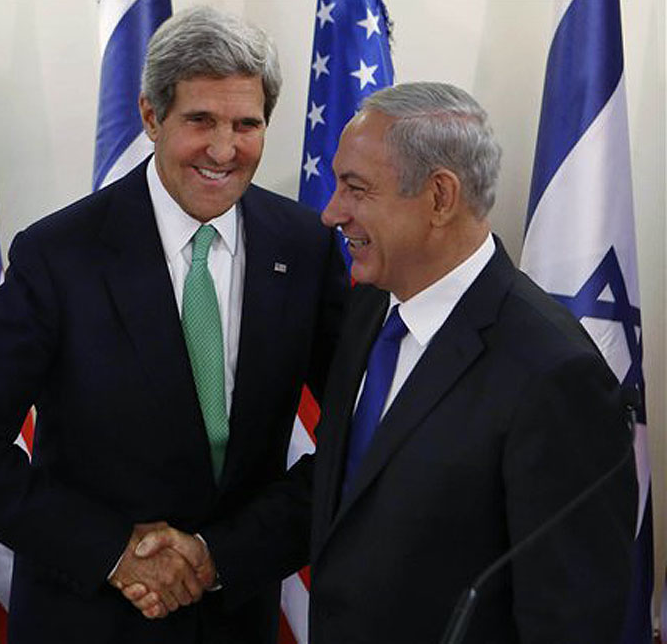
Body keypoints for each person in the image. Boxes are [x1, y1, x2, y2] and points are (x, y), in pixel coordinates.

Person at [132, 82, 637, 643]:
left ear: (440, 197)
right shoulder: (371, 308)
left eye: (355, 189)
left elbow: (572, 618)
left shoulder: (553, 374)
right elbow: (344, 488)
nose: (330, 214)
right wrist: (212, 556)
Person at [0, 5, 347, 644]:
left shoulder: (303, 246)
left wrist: (225, 554)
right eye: (201, 120)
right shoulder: (61, 256)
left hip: (236, 618)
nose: (225, 149)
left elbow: (358, 433)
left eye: (246, 124)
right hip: (87, 621)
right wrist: (112, 552)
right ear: (150, 116)